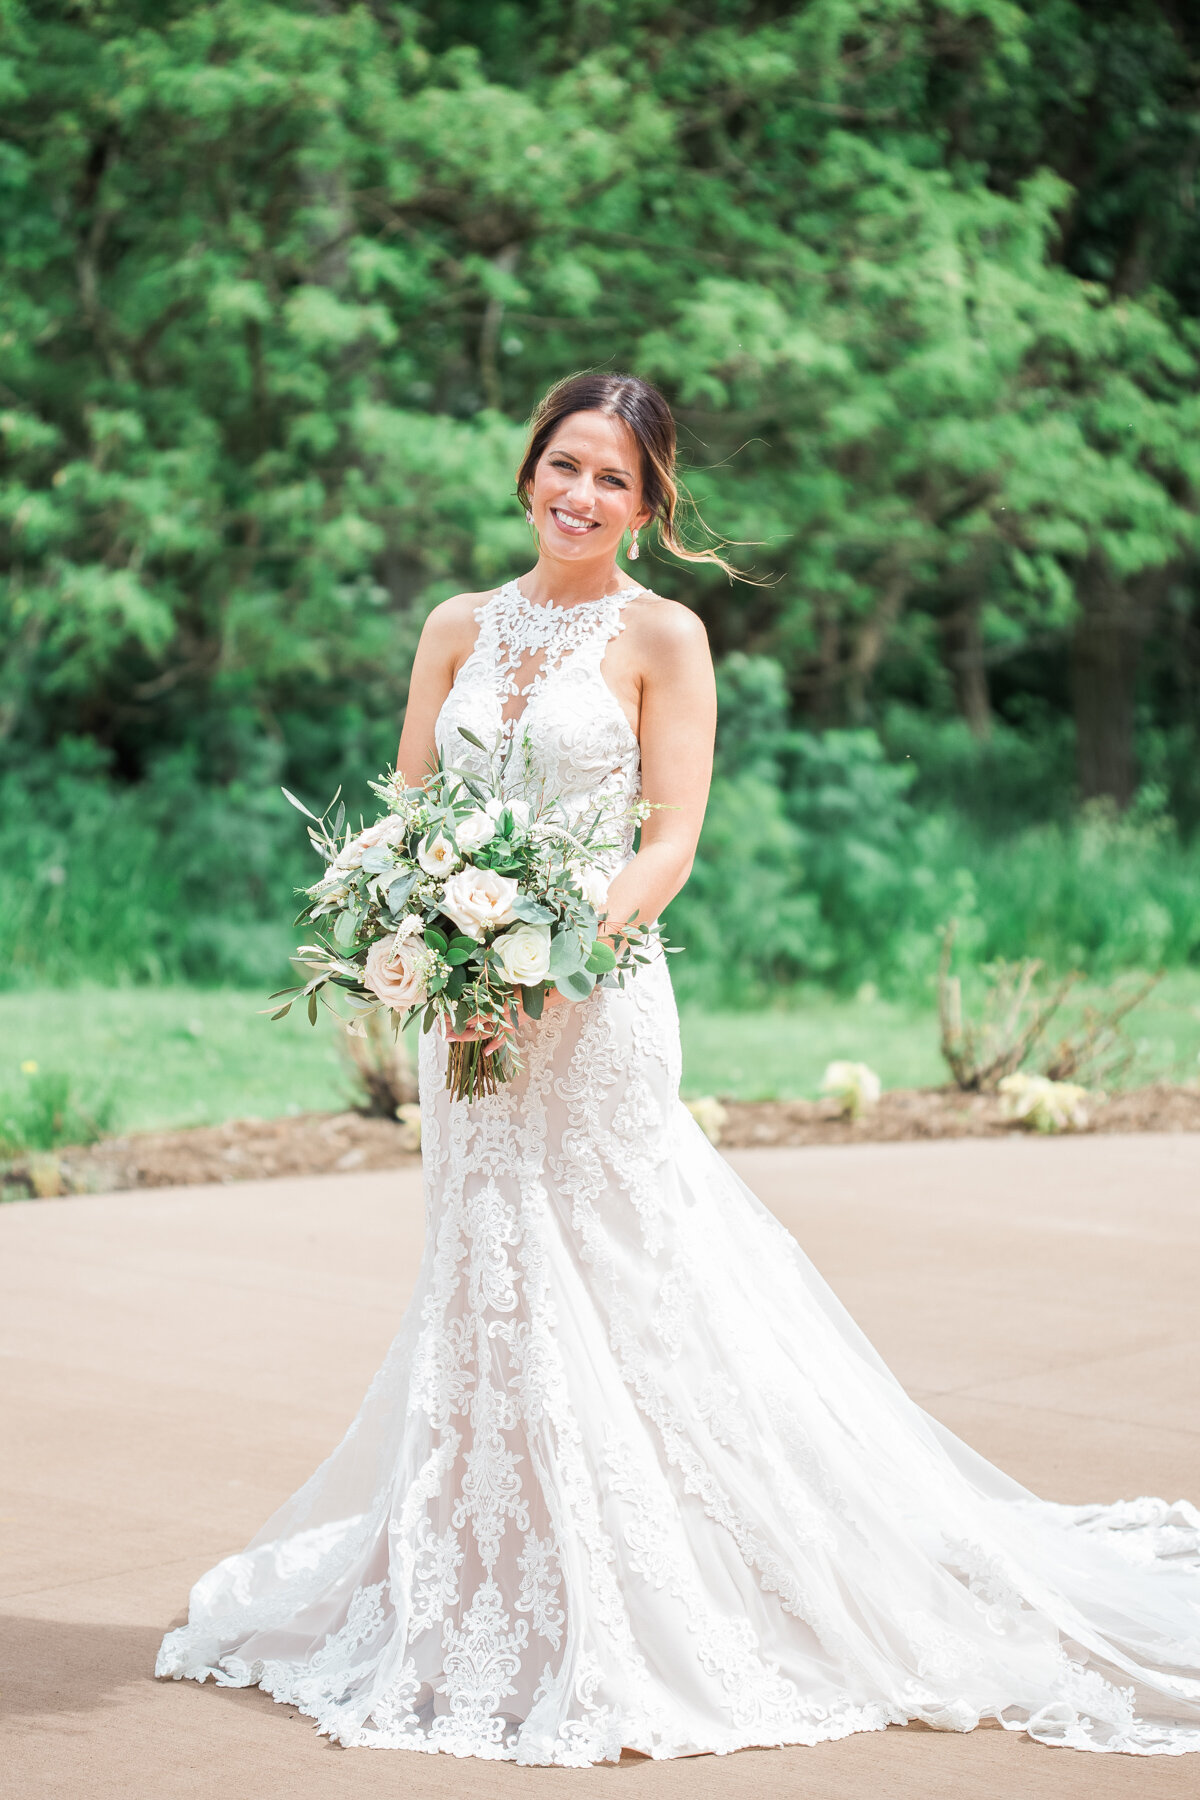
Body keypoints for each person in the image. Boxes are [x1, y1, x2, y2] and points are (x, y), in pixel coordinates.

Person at [158, 372, 1200, 1765]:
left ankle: (671, 1582)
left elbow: (670, 838)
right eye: (563, 465)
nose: (580, 495)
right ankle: (487, 1581)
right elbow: (407, 806)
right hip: (461, 1008)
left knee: (625, 1272)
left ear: (648, 507)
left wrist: (551, 953)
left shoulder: (664, 634)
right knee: (485, 1270)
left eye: (612, 480)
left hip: (592, 1001)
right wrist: (420, 933)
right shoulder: (456, 624)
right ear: (529, 470)